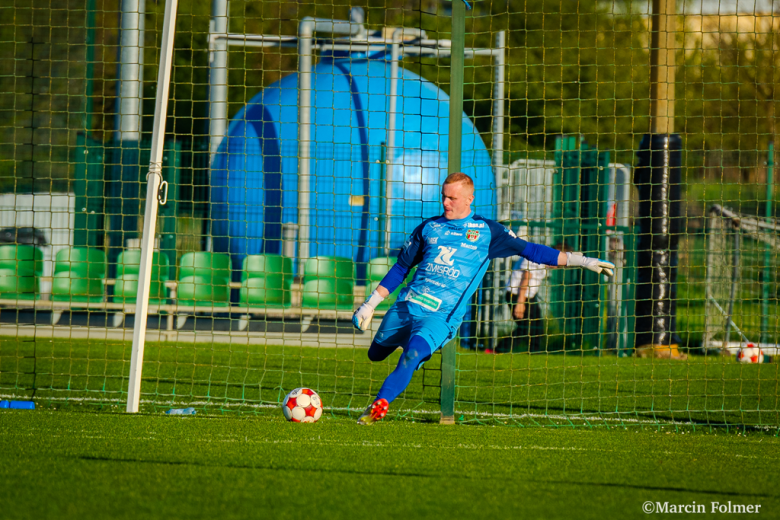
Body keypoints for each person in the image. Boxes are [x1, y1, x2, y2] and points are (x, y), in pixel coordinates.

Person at [351, 173, 614, 425]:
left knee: (411, 354)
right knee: (375, 354)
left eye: (452, 198)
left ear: (469, 199)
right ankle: (412, 353)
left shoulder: (488, 232)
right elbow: (401, 267)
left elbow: (533, 251)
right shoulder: (429, 227)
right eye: (444, 196)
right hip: (407, 306)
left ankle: (378, 405)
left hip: (441, 316)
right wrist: (369, 304)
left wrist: (582, 260)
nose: (445, 203)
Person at [498, 243, 571, 353]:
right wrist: (520, 303)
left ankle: (534, 353)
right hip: (517, 295)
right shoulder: (535, 256)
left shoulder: (544, 262)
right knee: (524, 328)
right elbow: (525, 278)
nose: (559, 266)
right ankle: (499, 350)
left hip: (529, 297)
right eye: (560, 262)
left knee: (537, 327)